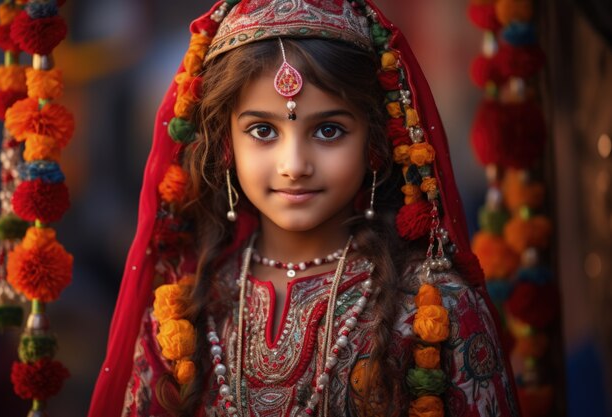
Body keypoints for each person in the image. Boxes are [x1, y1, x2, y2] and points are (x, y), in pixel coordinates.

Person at [89, 1, 520, 416]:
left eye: (329, 131)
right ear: (225, 145)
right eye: (262, 130)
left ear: (374, 143)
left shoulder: (435, 310)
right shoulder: (185, 314)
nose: (294, 165)